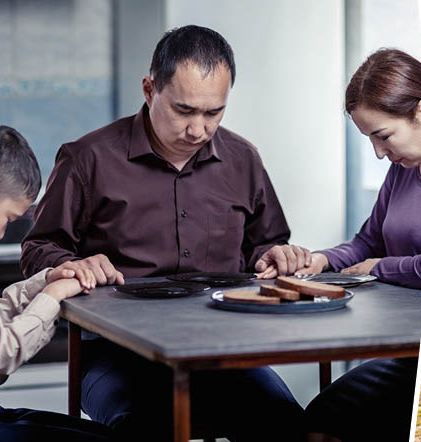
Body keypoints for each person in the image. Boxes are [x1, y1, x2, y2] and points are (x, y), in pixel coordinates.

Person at [20, 25, 304, 440]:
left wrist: (274, 256)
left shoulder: (243, 159)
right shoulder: (87, 158)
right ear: (150, 90)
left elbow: (265, 245)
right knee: (147, 428)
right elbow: (38, 249)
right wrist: (71, 265)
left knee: (288, 426)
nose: (199, 129)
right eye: (184, 111)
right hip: (114, 352)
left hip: (221, 348)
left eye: (214, 113)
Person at [257, 48, 421, 441]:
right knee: (318, 421)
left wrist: (379, 267)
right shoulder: (402, 171)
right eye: (369, 139)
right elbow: (368, 241)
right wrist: (319, 260)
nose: (379, 152)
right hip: (403, 351)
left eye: (383, 136)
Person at [0, 125, 115, 441]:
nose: (3, 234)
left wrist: (46, 279)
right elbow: (0, 353)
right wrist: (54, 295)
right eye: (7, 217)